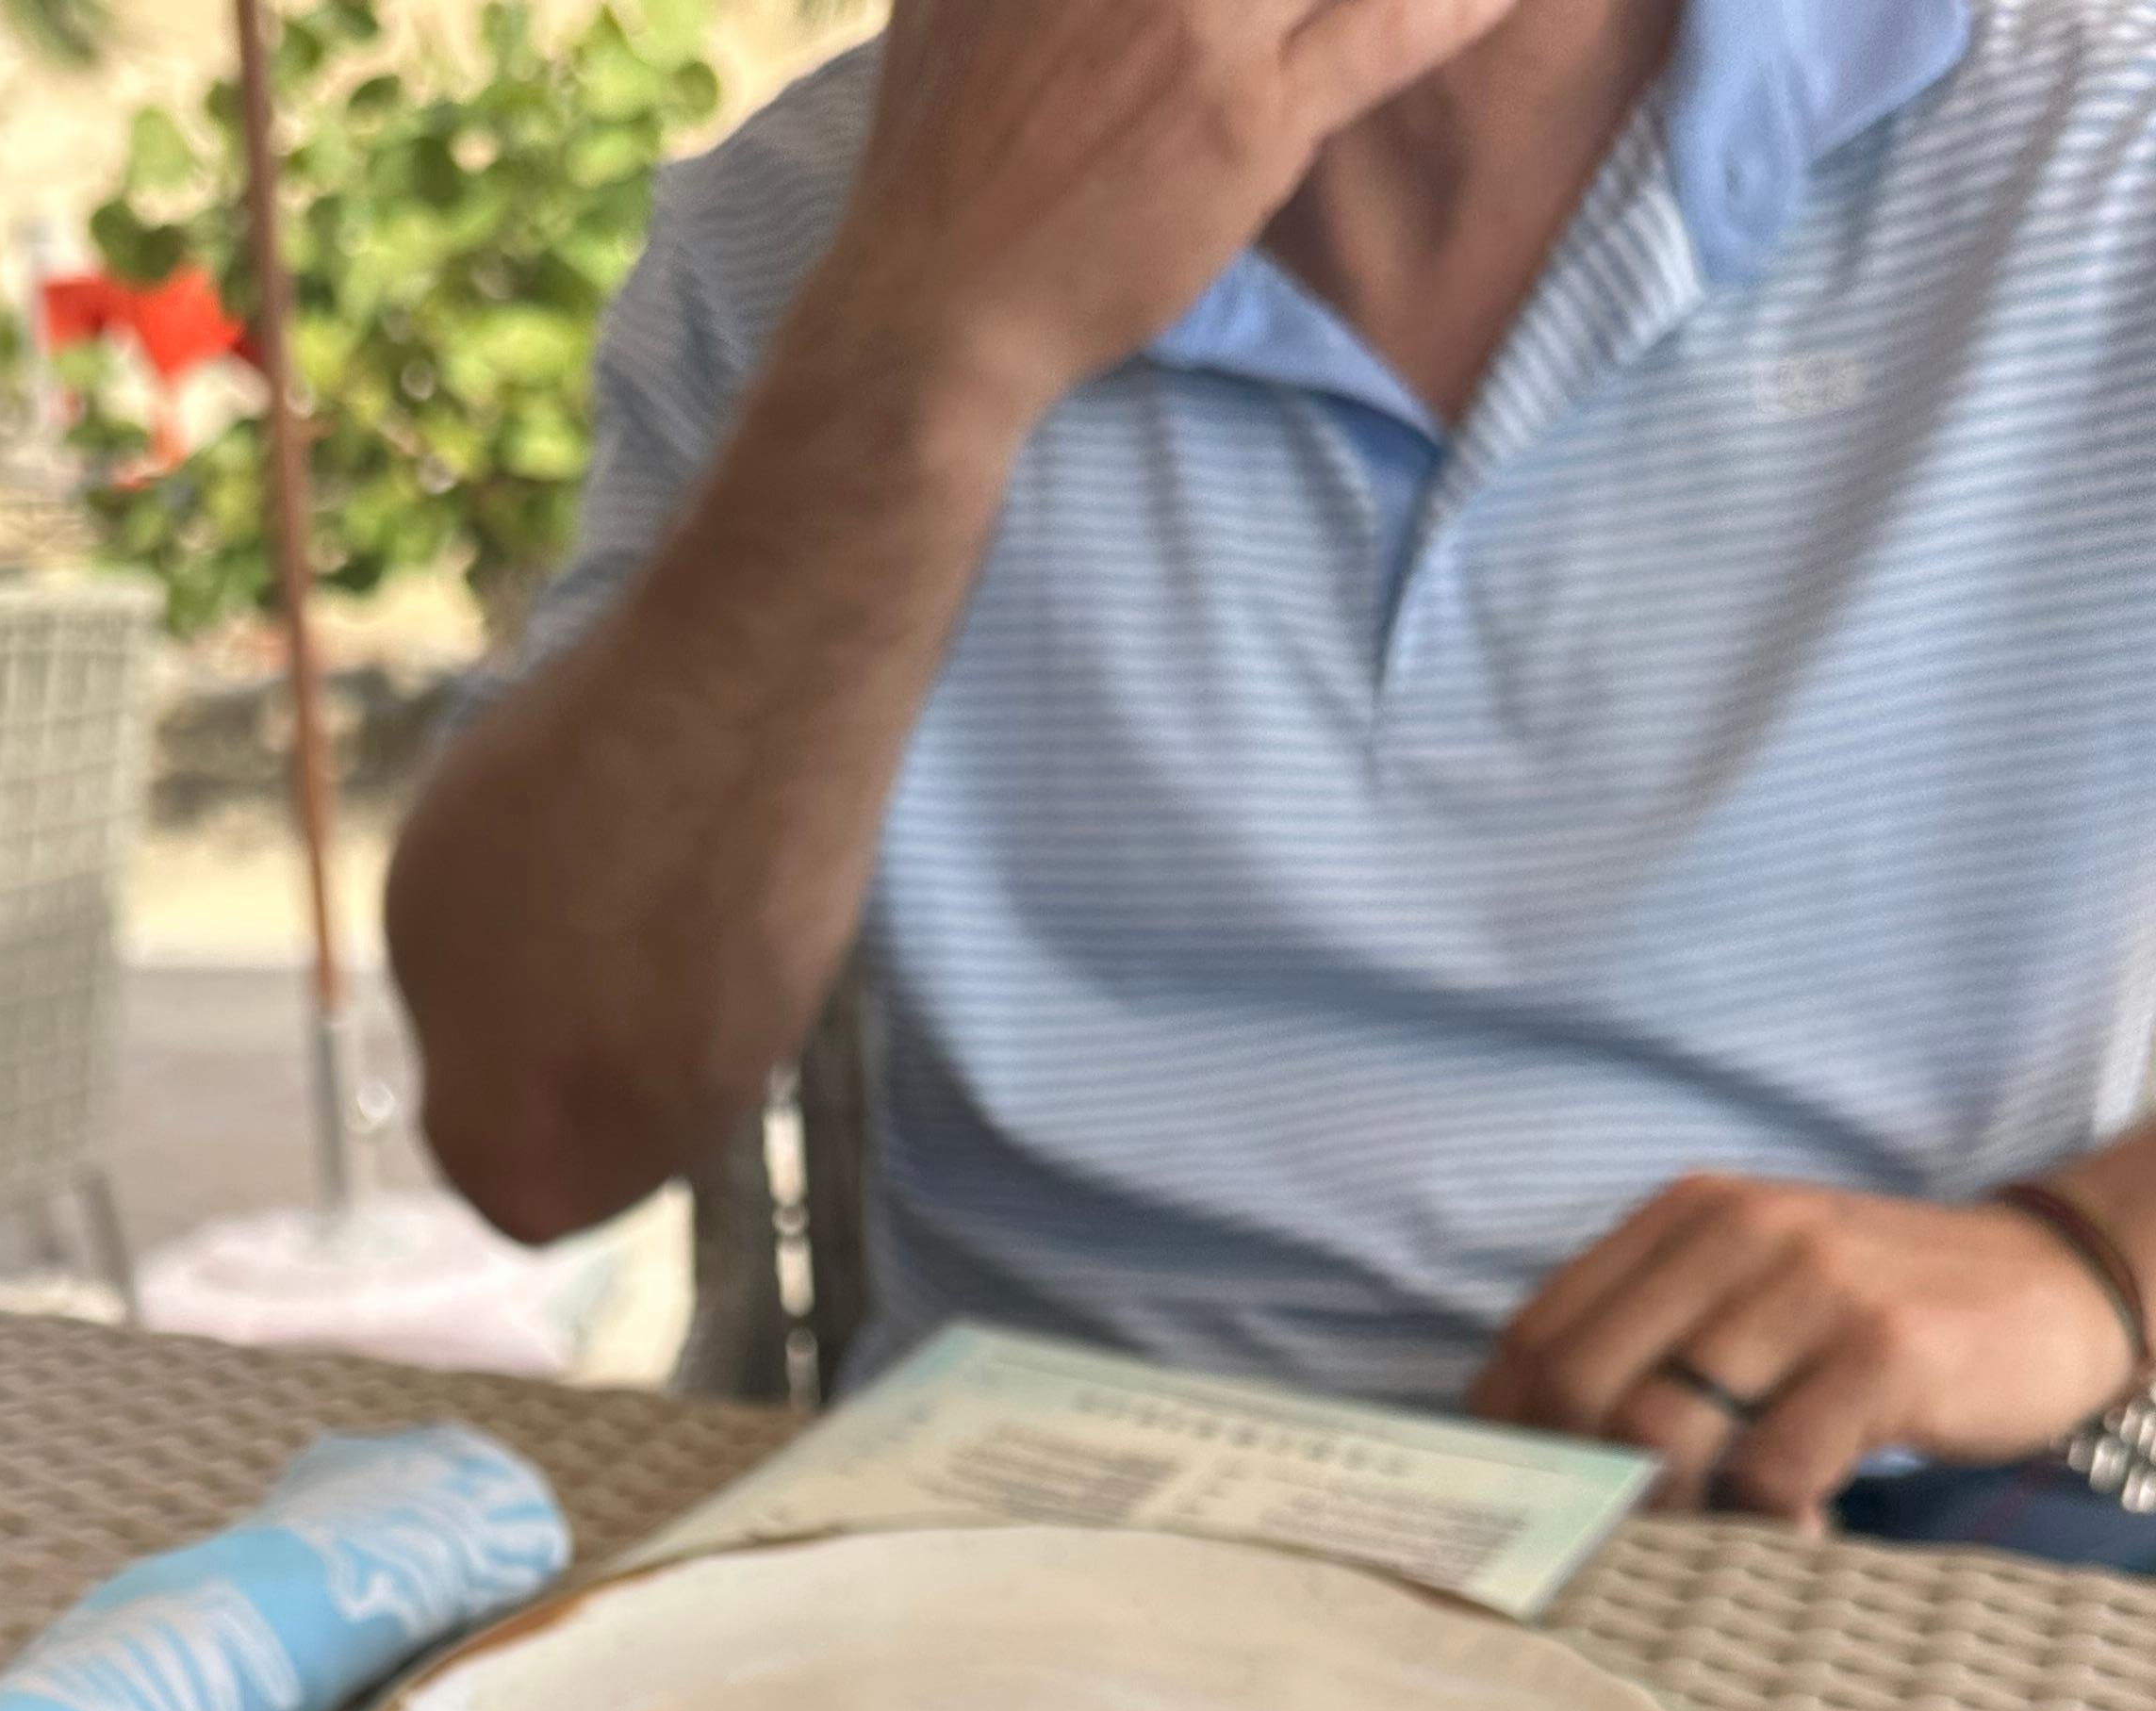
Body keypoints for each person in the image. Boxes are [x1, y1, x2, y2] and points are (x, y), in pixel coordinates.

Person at [387, 0, 2156, 1559]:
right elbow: (536, 1129)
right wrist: (935, 328)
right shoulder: (806, 228)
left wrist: (2087, 1259)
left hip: (1854, 1529)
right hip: (1030, 1536)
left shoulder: (2104, 159)